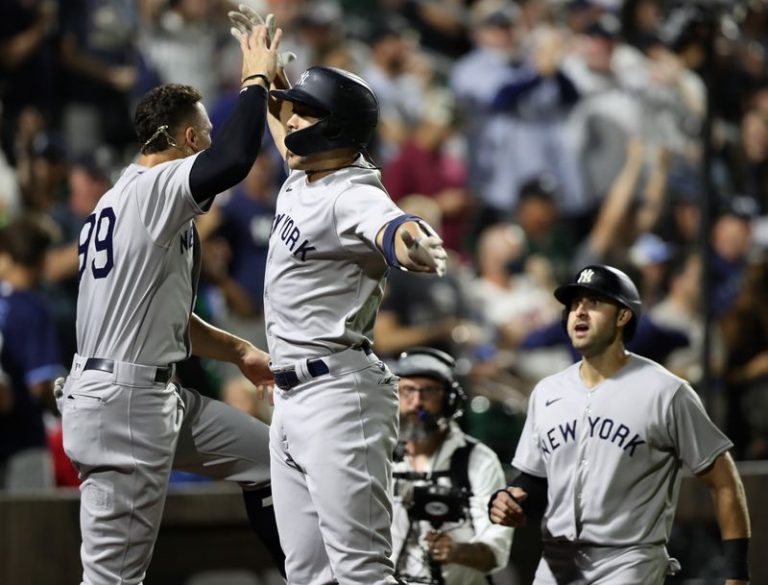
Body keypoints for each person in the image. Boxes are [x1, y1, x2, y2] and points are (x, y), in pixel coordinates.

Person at [57, 23, 287, 585]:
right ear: (187, 139)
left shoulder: (125, 201)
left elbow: (169, 319)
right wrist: (255, 80)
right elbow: (234, 158)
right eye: (205, 134)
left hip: (149, 393)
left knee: (272, 461)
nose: (211, 144)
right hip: (125, 403)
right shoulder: (152, 191)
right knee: (112, 579)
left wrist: (241, 353)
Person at [229, 7, 448, 584]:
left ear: (335, 129)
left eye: (306, 111)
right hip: (292, 397)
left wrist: (412, 240)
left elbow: (392, 226)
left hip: (338, 396)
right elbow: (284, 129)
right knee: (307, 574)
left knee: (362, 573)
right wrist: (269, 75)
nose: (292, 118)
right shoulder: (308, 172)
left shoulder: (353, 192)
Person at [489, 264, 752, 585]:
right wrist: (512, 499)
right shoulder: (547, 392)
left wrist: (737, 573)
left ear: (623, 316)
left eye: (594, 302)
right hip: (557, 562)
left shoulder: (665, 391)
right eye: (574, 304)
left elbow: (724, 482)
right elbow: (535, 480)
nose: (579, 312)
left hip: (629, 561)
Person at [390, 347, 513, 585]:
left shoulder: (478, 461)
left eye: (428, 391)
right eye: (407, 390)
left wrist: (457, 551)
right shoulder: (378, 456)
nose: (417, 402)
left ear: (450, 400)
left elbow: (495, 552)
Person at [0, 216, 65, 490]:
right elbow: (40, 385)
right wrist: (61, 410)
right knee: (32, 516)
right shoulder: (33, 309)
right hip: (25, 439)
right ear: (41, 260)